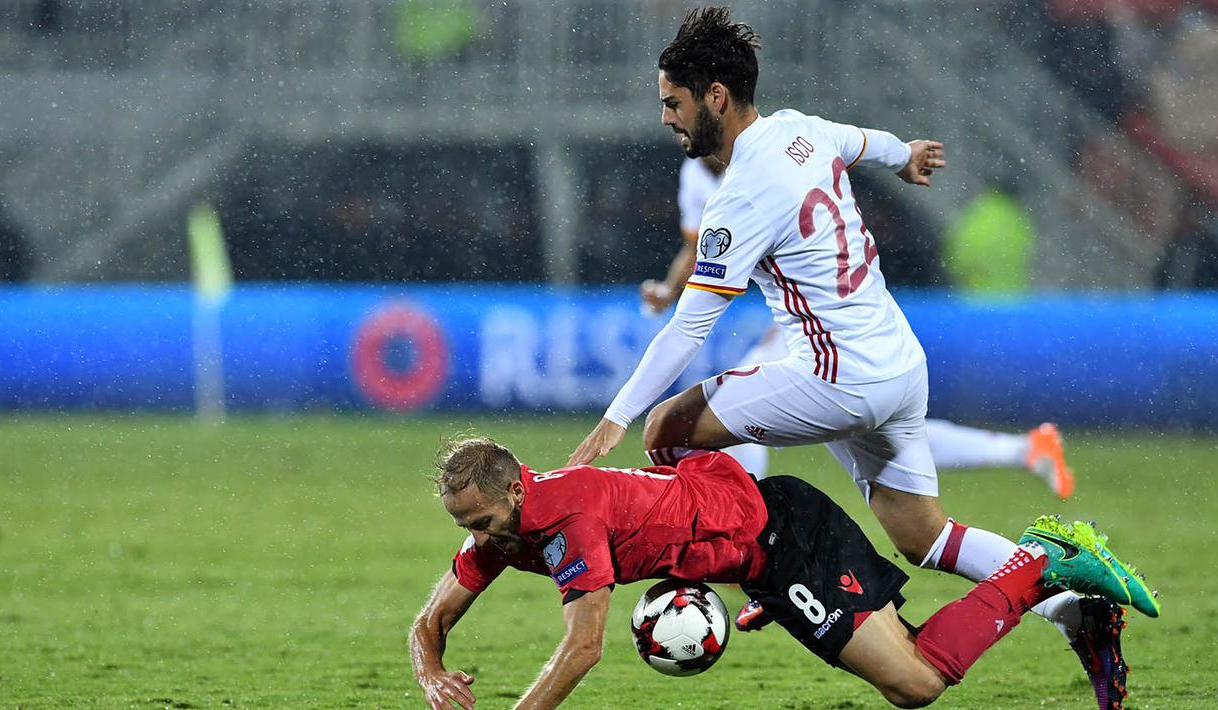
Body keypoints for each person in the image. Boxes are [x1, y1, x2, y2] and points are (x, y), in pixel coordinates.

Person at [567, 7, 1157, 707]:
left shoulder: (740, 198)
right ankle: (1072, 605)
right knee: (924, 536)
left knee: (665, 427)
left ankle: (754, 564)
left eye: (673, 102)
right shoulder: (799, 131)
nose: (665, 117)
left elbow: (688, 330)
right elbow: (863, 142)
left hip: (836, 377)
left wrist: (613, 420)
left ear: (715, 97)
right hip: (899, 367)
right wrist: (904, 154)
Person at [409, 437, 1156, 709]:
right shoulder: (504, 531)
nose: (477, 540)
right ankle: (1060, 595)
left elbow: (582, 648)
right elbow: (429, 620)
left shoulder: (565, 521)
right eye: (463, 528)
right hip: (760, 550)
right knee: (912, 669)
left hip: (782, 539)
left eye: (480, 522)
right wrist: (431, 671)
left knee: (916, 683)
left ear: (514, 490)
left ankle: (1044, 563)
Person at [642, 155, 1072, 495]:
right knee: (896, 443)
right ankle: (1026, 449)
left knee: (732, 410)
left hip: (836, 318)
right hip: (806, 325)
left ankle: (742, 530)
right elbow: (700, 246)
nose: (679, 128)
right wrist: (668, 289)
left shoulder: (770, 152)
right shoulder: (696, 170)